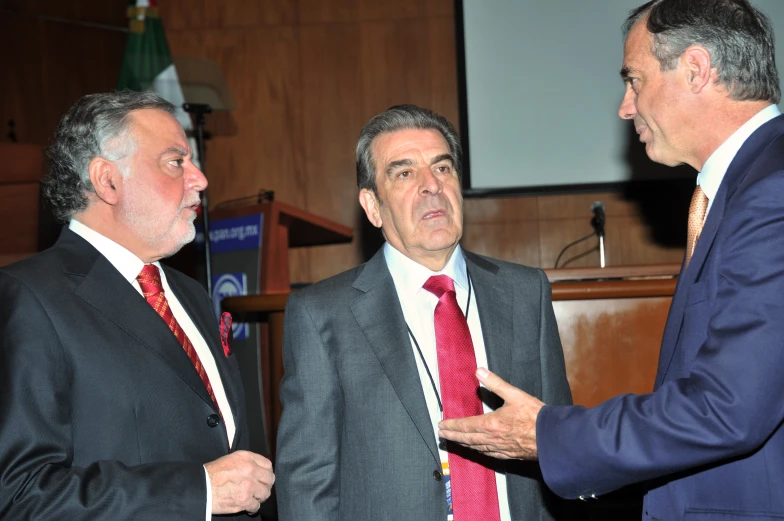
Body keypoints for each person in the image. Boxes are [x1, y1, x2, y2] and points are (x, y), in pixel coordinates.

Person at [439, 0, 784, 519]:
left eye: (635, 80)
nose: (626, 107)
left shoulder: (771, 192)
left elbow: (728, 407)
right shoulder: (743, 186)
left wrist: (547, 435)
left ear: (695, 69)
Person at [274, 104, 573, 521]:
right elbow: (307, 480)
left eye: (443, 168)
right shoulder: (322, 314)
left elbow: (560, 444)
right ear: (373, 205)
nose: (432, 186)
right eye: (404, 173)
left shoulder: (525, 293)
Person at [0, 91, 274, 520]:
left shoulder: (190, 294)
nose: (199, 179)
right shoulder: (28, 298)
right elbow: (20, 494)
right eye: (175, 161)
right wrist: (198, 491)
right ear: (107, 180)